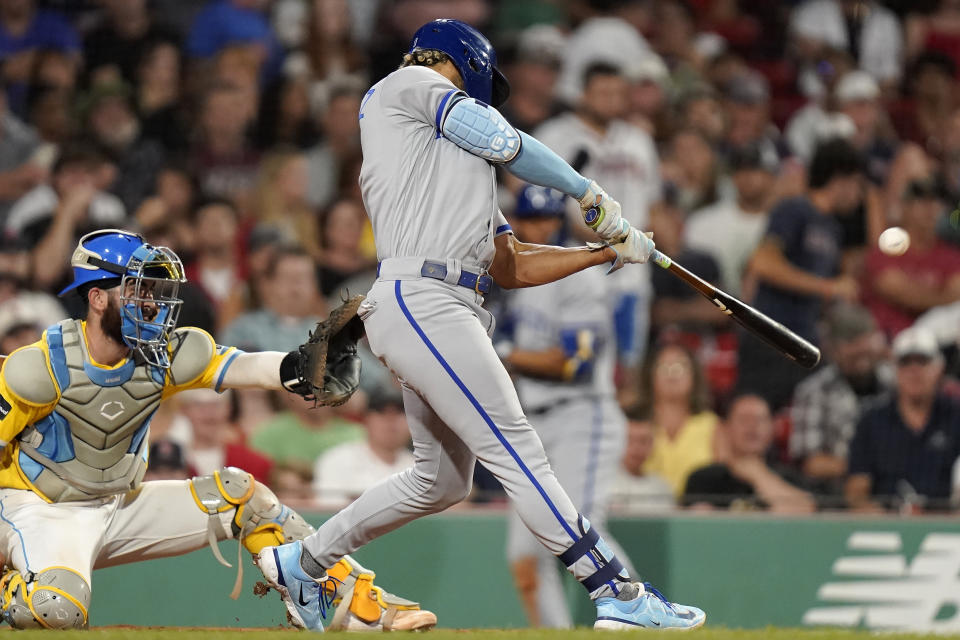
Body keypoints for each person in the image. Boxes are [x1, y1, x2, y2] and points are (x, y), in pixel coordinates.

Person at [255, 19, 705, 632]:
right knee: (516, 444)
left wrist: (603, 252)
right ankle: (613, 590)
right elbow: (505, 140)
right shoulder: (404, 85)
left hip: (445, 305)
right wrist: (585, 190)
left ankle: (303, 562)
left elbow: (511, 262)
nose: (483, 94)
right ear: (461, 63)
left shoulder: (451, 163)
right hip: (423, 298)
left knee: (439, 481)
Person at [0, 229, 435, 631]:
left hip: (120, 503)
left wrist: (300, 367)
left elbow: (242, 366)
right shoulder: (40, 367)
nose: (150, 300)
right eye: (136, 288)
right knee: (57, 611)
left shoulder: (163, 354)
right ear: (97, 298)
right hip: (42, 508)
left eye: (151, 288)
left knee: (243, 496)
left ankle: (355, 604)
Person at [497, 185, 636, 628]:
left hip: (582, 413)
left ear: (559, 222)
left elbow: (576, 362)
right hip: (533, 421)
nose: (539, 228)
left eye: (547, 220)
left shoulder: (580, 275)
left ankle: (642, 617)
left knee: (583, 530)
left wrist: (507, 356)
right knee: (524, 555)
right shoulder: (519, 274)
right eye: (530, 220)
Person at [738, 138, 863, 410]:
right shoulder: (794, 209)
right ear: (840, 178)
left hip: (804, 341)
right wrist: (828, 287)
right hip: (770, 337)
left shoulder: (833, 229)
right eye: (857, 183)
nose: (859, 194)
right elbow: (762, 263)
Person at [845, 327, 960, 512]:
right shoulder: (872, 420)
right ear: (895, 369)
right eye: (905, 362)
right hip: (886, 525)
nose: (914, 371)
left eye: (922, 361)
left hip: (946, 526)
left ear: (938, 368)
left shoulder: (955, 416)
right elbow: (857, 489)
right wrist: (881, 520)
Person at [789, 304, 893, 496]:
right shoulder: (814, 391)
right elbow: (813, 464)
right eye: (851, 341)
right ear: (833, 349)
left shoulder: (894, 383)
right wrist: (869, 468)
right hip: (836, 496)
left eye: (865, 339)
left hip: (896, 491)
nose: (861, 349)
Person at [861, 178, 960, 338]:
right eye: (922, 200)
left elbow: (957, 292)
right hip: (887, 341)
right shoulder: (887, 248)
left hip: (937, 347)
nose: (931, 208)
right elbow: (895, 290)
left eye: (936, 201)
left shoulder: (950, 254)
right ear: (904, 206)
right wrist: (943, 298)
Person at [683, 394, 816, 513]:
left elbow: (806, 513)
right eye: (744, 419)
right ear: (726, 428)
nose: (752, 426)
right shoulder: (703, 480)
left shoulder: (791, 477)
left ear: (772, 429)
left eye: (760, 419)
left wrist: (758, 476)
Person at [637, 342, 720, 497]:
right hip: (641, 511)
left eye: (680, 367)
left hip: (696, 513)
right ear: (650, 375)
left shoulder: (713, 425)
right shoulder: (635, 423)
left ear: (694, 375)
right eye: (663, 367)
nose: (672, 373)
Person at [312, 386, 414, 508]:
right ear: (366, 419)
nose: (391, 420)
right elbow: (326, 513)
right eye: (381, 411)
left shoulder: (421, 468)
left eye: (400, 412)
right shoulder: (336, 459)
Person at [608, 416, 675, 515]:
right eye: (630, 440)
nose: (637, 448)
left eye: (643, 441)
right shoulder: (606, 484)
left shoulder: (662, 487)